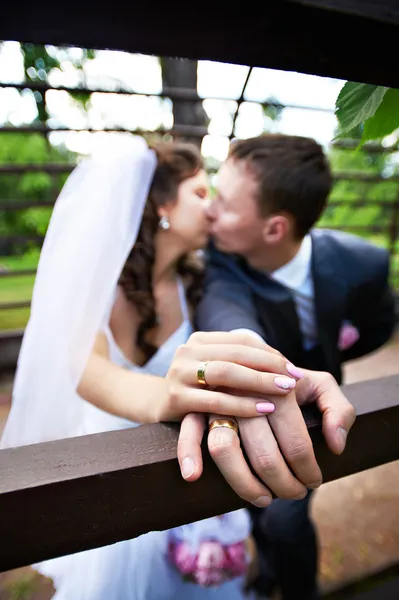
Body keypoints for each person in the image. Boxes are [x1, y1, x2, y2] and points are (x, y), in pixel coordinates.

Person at [1, 135, 336, 600]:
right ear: (159, 205)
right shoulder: (94, 289)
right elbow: (88, 373)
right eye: (200, 194)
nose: (212, 208)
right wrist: (167, 395)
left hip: (188, 476)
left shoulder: (199, 282)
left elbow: (231, 321)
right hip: (113, 476)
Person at [189, 134, 395, 599]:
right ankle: (266, 575)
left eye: (225, 202)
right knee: (258, 508)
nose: (209, 210)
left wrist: (336, 355)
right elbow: (226, 313)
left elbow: (381, 324)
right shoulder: (221, 259)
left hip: (314, 412)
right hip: (255, 405)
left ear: (275, 229)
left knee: (286, 513)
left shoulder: (363, 263)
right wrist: (249, 356)